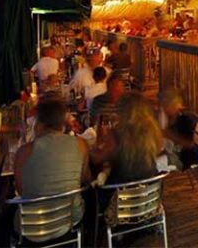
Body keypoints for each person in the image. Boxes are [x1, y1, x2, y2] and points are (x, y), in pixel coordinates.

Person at [13, 97, 91, 241]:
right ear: (63, 122)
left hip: (32, 226)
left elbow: (22, 190)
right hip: (70, 219)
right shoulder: (81, 144)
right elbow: (85, 179)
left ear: (39, 123)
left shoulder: (23, 152)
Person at [92, 92, 162, 184]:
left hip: (119, 191)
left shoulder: (117, 133)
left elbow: (98, 159)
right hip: (149, 189)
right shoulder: (153, 130)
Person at [158, 90, 197, 171]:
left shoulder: (185, 120)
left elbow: (190, 144)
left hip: (181, 160)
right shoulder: (170, 118)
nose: (164, 108)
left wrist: (170, 135)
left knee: (155, 164)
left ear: (173, 105)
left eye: (166, 105)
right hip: (171, 155)